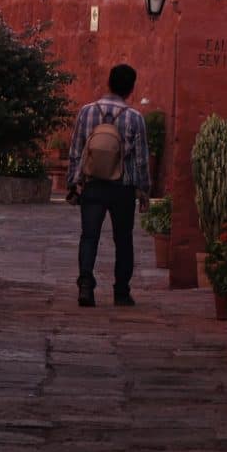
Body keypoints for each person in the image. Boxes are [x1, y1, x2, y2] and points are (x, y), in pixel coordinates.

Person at [65, 63, 151, 307]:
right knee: (123, 239)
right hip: (122, 188)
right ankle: (121, 292)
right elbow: (142, 160)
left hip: (92, 185)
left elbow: (76, 150)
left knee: (89, 236)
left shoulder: (87, 112)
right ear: (131, 88)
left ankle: (85, 286)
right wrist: (143, 190)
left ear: (109, 83)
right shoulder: (135, 118)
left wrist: (73, 183)